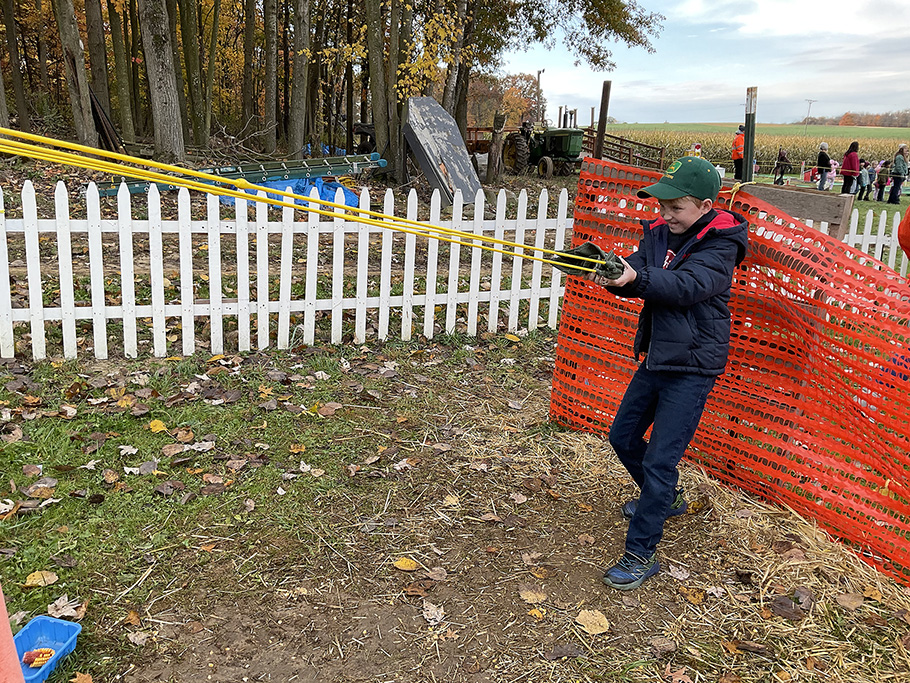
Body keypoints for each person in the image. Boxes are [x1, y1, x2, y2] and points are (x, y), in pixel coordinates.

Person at [587, 156, 749, 590]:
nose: (665, 215)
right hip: (658, 355)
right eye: (662, 206)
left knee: (661, 461)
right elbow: (639, 270)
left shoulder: (721, 244)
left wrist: (634, 278)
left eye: (675, 207)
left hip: (694, 365)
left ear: (704, 204)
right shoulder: (660, 234)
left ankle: (641, 554)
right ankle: (668, 500)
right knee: (622, 436)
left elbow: (685, 287)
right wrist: (605, 269)